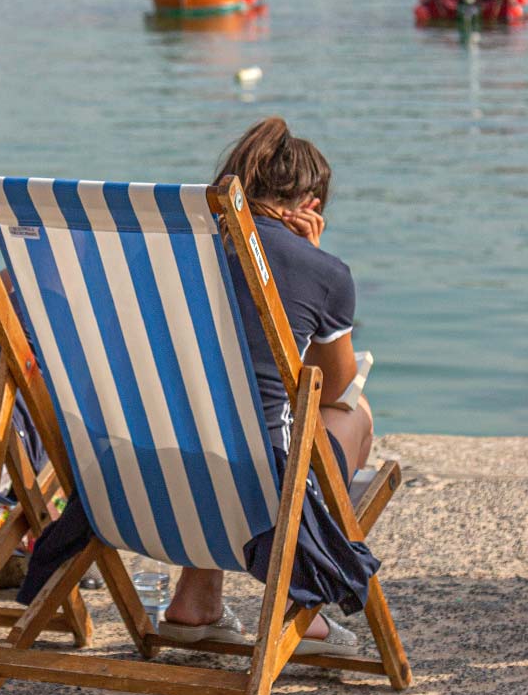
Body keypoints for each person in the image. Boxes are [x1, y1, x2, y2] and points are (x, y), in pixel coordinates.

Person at [157, 117, 374, 657]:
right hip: (256, 493)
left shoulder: (168, 255)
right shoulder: (321, 269)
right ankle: (302, 613)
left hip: (147, 475)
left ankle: (195, 600)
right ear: (310, 201)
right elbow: (334, 387)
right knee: (353, 413)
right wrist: (318, 265)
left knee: (210, 412)